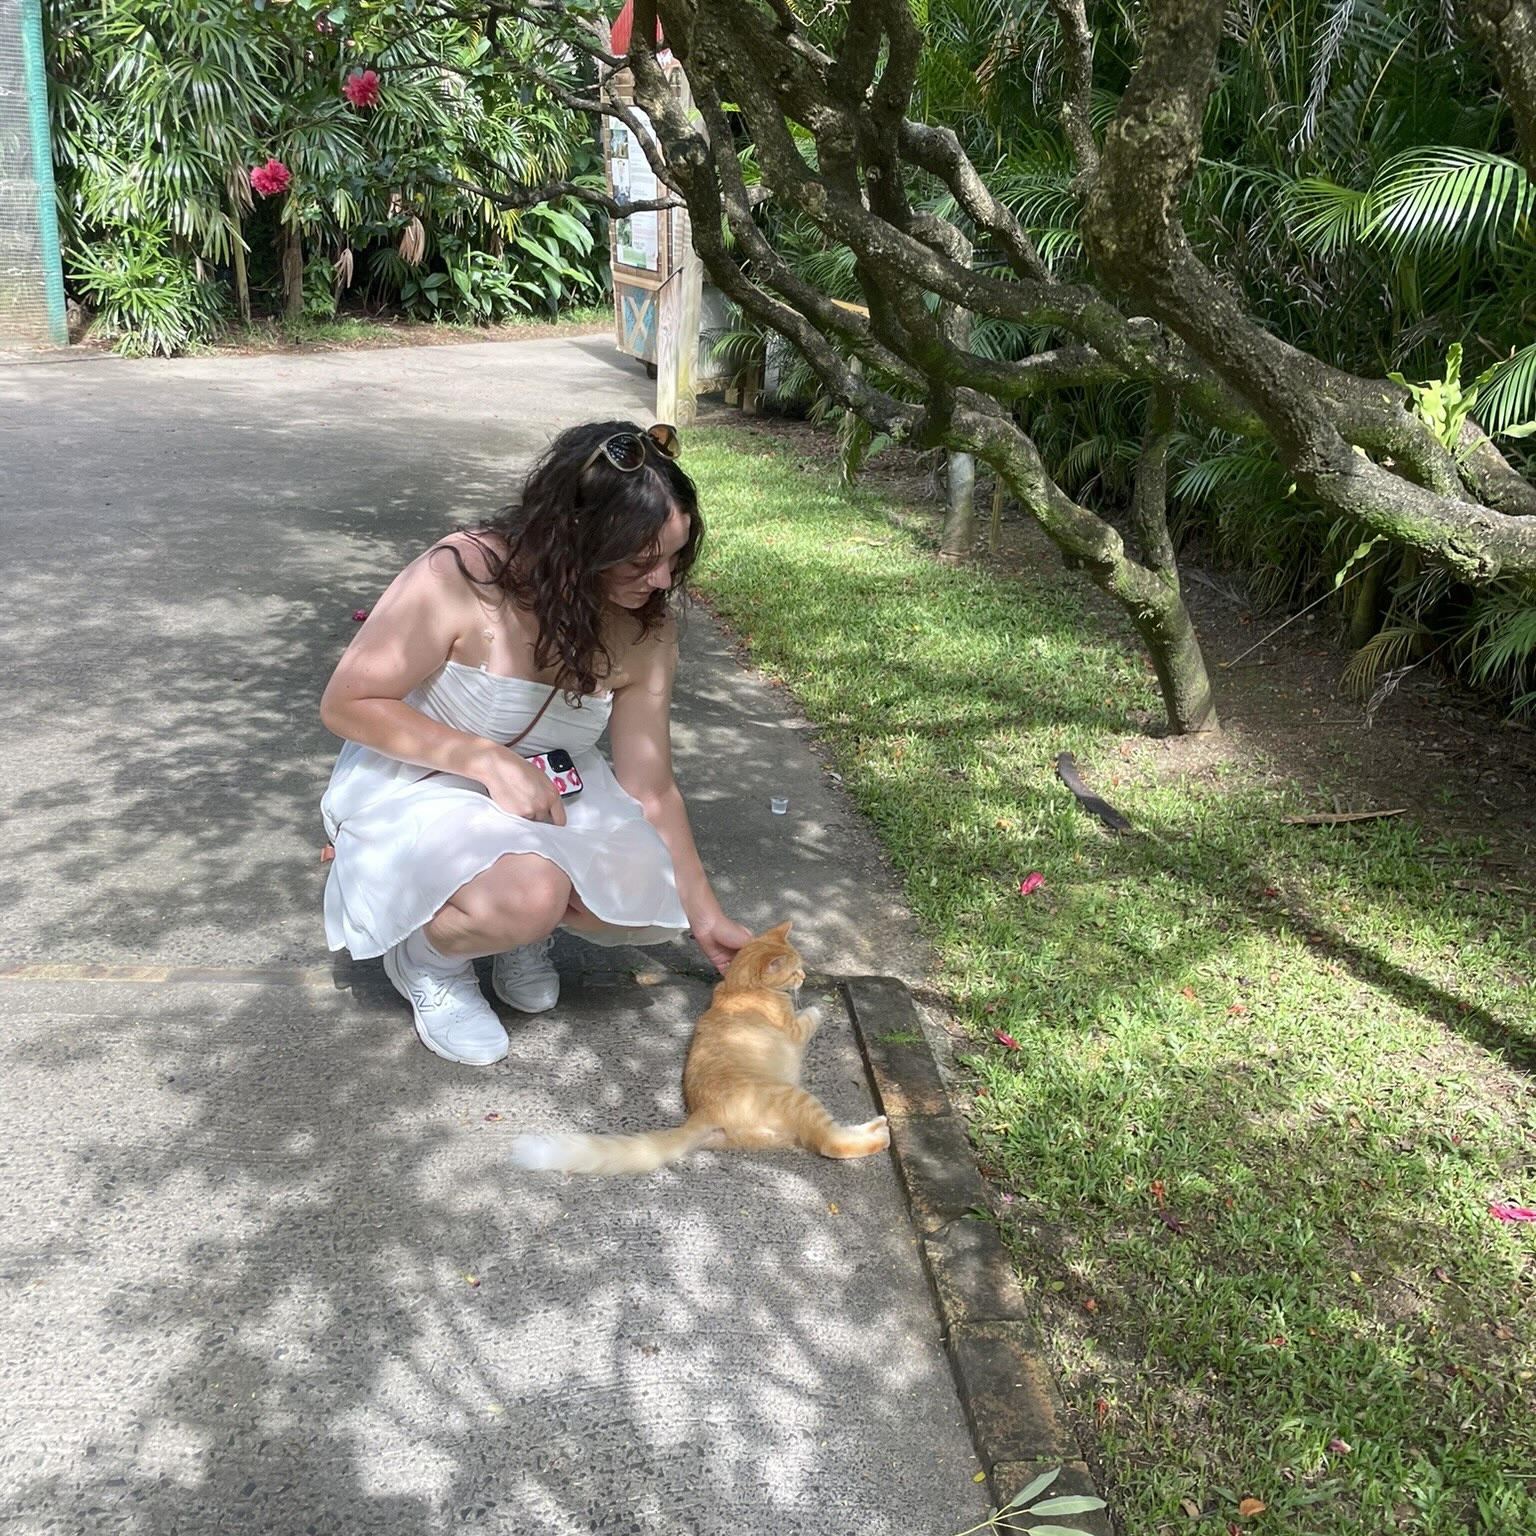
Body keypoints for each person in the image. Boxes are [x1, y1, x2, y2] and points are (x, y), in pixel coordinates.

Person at [318, 419, 754, 1066]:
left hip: (549, 789)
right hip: (425, 775)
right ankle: (429, 962)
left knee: (638, 890)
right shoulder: (462, 576)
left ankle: (520, 930)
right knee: (532, 897)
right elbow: (347, 703)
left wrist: (707, 917)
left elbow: (651, 786)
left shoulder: (645, 628)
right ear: (575, 537)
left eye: (674, 557)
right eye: (640, 561)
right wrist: (482, 758)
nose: (663, 581)